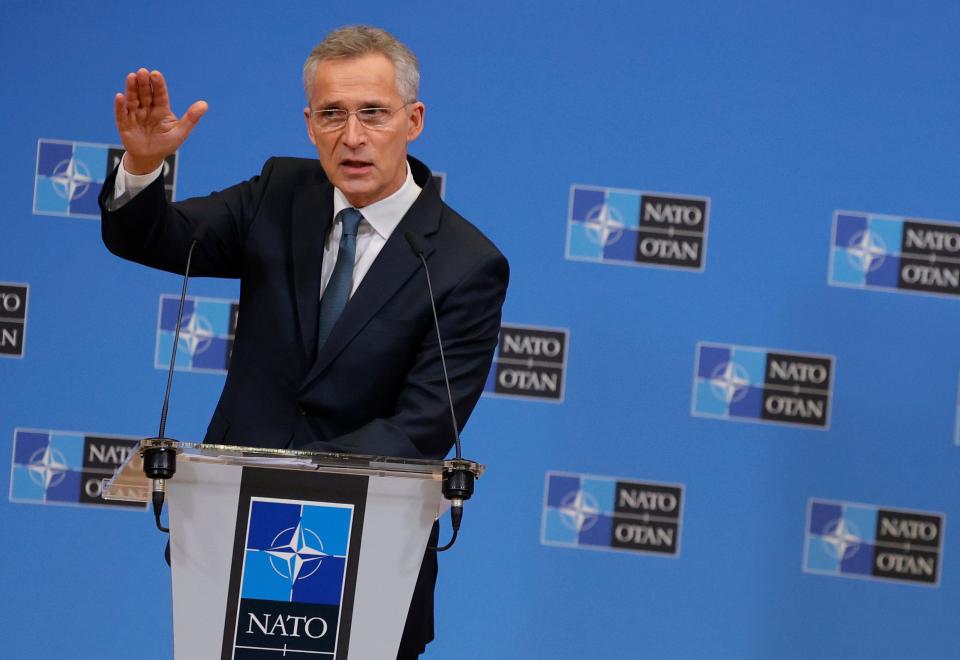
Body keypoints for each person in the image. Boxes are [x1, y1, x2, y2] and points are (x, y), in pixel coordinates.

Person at [99, 25, 509, 659]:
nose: (352, 137)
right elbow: (155, 238)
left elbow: (423, 425)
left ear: (414, 119)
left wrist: (283, 492)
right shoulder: (279, 194)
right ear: (309, 122)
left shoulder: (463, 261)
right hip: (229, 543)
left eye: (373, 113)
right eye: (332, 115)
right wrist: (147, 166)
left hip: (366, 556)